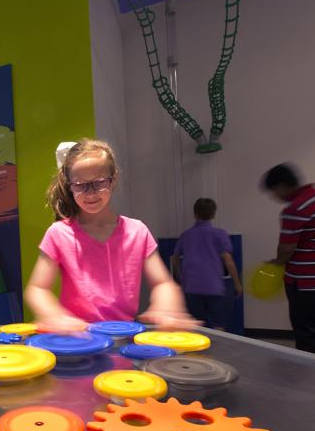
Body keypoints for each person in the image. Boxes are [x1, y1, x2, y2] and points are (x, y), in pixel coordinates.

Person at [25, 139, 196, 332]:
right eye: (80, 185)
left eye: (99, 183)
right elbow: (37, 289)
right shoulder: (59, 233)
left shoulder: (137, 231)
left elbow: (163, 283)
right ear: (70, 185)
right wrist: (54, 315)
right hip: (79, 340)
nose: (90, 193)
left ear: (113, 180)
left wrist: (166, 306)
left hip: (122, 336)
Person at [261, 163, 315, 359]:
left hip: (307, 281)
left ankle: (307, 377)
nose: (275, 197)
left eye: (274, 191)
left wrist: (277, 263)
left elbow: (286, 248)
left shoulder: (294, 208)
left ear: (282, 185)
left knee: (308, 332)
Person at [171, 198, 242, 330]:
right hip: (214, 287)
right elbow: (228, 260)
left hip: (191, 287)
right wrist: (237, 283)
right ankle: (217, 350)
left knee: (196, 325)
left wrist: (181, 278)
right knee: (218, 324)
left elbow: (175, 258)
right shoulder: (220, 234)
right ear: (214, 214)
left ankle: (197, 350)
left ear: (195, 213)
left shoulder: (186, 235)